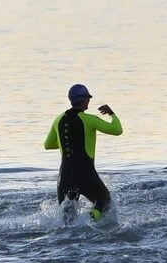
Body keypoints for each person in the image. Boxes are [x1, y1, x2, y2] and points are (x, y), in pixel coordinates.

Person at [44, 84, 123, 222]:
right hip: (85, 174)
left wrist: (67, 143)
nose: (89, 100)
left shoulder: (58, 119)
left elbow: (48, 145)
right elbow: (117, 130)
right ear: (84, 100)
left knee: (67, 219)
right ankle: (89, 219)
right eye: (88, 98)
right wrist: (112, 114)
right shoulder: (89, 120)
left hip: (65, 176)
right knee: (104, 202)